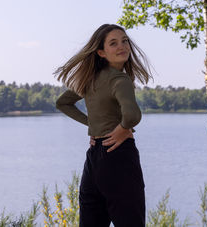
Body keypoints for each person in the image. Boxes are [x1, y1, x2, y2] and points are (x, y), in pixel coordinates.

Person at [54, 24, 152, 227]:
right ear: (101, 52)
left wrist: (95, 127)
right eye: (113, 43)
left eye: (124, 41)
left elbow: (62, 103)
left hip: (94, 159)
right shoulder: (120, 79)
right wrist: (123, 128)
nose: (122, 46)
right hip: (119, 156)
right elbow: (132, 115)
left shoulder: (90, 79)